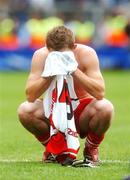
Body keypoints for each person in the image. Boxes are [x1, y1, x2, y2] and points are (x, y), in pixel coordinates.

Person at [17, 25, 114, 166]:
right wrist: (49, 74)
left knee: (105, 107)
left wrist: (74, 70)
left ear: (74, 47)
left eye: (64, 54)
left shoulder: (87, 53)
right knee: (25, 110)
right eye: (55, 54)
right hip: (54, 110)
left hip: (82, 111)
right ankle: (53, 149)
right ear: (47, 48)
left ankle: (91, 148)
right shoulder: (41, 55)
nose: (59, 58)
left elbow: (100, 93)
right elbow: (30, 96)